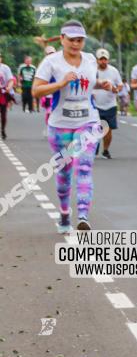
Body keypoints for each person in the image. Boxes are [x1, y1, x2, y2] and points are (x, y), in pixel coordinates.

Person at [31, 20, 113, 232]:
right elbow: (36, 91)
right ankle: (65, 213)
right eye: (72, 40)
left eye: (80, 40)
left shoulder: (90, 59)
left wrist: (101, 84)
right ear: (62, 39)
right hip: (60, 125)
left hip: (88, 121)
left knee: (84, 166)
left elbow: (88, 82)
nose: (76, 44)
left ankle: (83, 216)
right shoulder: (51, 62)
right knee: (64, 174)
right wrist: (60, 84)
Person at [93, 49, 122, 159]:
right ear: (97, 60)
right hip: (95, 105)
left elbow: (120, 85)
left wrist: (116, 90)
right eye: (101, 59)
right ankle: (95, 146)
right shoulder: (92, 70)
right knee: (96, 127)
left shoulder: (113, 71)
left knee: (108, 129)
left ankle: (105, 150)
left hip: (110, 105)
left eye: (105, 59)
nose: (103, 61)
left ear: (108, 60)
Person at [0, 53, 14, 140]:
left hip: (3, 93)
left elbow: (11, 80)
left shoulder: (5, 68)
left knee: (3, 114)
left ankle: (2, 130)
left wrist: (9, 87)